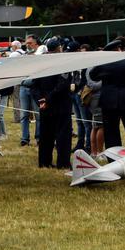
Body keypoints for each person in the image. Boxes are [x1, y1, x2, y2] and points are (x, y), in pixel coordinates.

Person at [89, 39, 125, 149]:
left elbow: (93, 75)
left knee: (111, 133)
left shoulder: (104, 65)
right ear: (119, 49)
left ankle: (113, 156)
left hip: (109, 102)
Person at [30, 38, 72, 168]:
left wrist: (41, 100)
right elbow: (62, 84)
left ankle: (44, 162)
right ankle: (63, 163)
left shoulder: (41, 64)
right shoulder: (63, 63)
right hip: (60, 104)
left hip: (45, 106)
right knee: (63, 134)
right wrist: (47, 99)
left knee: (46, 135)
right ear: (59, 48)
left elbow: (33, 86)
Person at [18, 34, 46, 146]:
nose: (27, 45)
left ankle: (39, 137)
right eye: (26, 43)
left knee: (38, 114)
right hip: (24, 87)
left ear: (36, 43)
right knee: (24, 115)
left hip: (36, 88)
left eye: (30, 43)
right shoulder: (25, 54)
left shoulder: (42, 50)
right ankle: (24, 138)